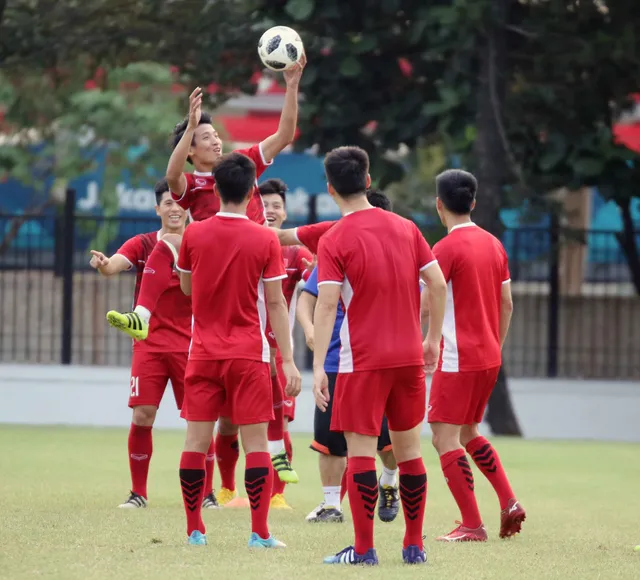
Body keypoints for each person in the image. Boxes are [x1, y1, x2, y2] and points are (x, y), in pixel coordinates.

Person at [106, 55, 305, 341]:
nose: (216, 141)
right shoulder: (188, 184)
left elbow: (285, 135)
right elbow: (171, 174)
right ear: (190, 150)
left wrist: (291, 86)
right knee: (172, 240)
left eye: (215, 135)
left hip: (252, 250)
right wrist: (190, 127)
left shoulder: (241, 163)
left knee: (265, 344)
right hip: (217, 258)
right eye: (207, 137)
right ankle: (142, 317)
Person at [312, 147, 447, 565]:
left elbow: (327, 303)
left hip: (361, 361)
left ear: (330, 188)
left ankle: (365, 550)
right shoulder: (407, 228)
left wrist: (318, 365)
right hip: (408, 358)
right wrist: (432, 339)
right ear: (369, 181)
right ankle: (413, 546)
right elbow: (438, 284)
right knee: (409, 453)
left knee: (361, 455)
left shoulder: (334, 238)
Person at [176, 152, 302, 547]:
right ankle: (260, 532)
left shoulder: (193, 233)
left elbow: (185, 288)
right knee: (257, 446)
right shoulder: (265, 238)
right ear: (251, 192)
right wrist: (289, 360)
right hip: (249, 353)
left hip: (203, 352)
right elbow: (277, 303)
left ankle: (195, 529)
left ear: (214, 187)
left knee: (196, 443)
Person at [425, 169, 525, 542]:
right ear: (474, 202)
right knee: (468, 432)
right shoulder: (494, 244)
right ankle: (509, 501)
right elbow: (508, 304)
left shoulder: (445, 248)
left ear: (439, 204)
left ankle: (471, 524)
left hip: (457, 357)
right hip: (488, 355)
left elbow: (424, 304)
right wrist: (493, 347)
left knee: (442, 437)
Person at [90, 179, 198, 509]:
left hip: (191, 346)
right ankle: (138, 493)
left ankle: (204, 494)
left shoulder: (199, 244)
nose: (174, 208)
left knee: (200, 419)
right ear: (157, 209)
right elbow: (115, 265)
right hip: (149, 345)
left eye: (179, 203)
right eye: (167, 203)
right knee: (142, 415)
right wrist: (105, 265)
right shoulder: (143, 243)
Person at [297, 190, 400, 524]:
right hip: (335, 360)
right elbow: (309, 299)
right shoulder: (338, 247)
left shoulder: (398, 252)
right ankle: (331, 505)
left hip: (376, 360)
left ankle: (389, 480)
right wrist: (311, 330)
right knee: (328, 438)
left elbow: (424, 297)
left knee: (385, 439)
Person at [213, 178, 312, 508]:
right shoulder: (242, 244)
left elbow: (317, 285)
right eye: (263, 205)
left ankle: (277, 496)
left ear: (285, 213)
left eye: (275, 206)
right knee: (228, 421)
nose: (269, 211)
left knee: (278, 419)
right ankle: (227, 488)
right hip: (242, 347)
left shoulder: (296, 253)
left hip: (278, 351)